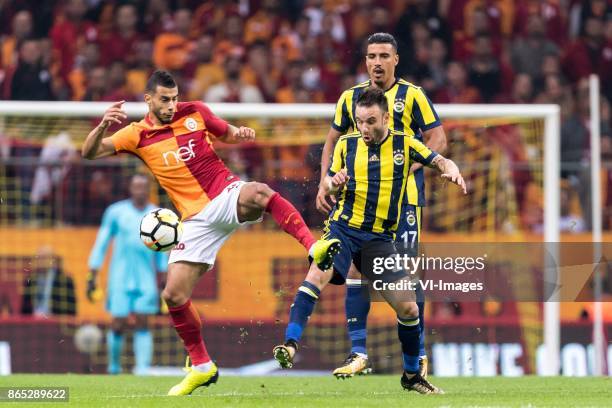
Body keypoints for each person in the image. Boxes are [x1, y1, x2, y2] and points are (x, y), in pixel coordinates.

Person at [81, 70, 340, 395]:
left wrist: (240, 132)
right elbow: (89, 152)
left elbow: (226, 132)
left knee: (260, 192)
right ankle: (202, 366)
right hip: (194, 221)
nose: (172, 105)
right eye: (164, 99)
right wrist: (104, 124)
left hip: (224, 192)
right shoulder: (135, 135)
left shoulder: (195, 111)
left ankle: (313, 247)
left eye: (174, 98)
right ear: (148, 99)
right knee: (173, 295)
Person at [274, 88, 466, 394]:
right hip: (343, 230)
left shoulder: (406, 144)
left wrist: (451, 169)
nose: (364, 128)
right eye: (360, 121)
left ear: (387, 117)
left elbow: (439, 160)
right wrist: (332, 183)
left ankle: (413, 376)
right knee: (316, 275)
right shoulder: (347, 146)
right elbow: (329, 184)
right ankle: (290, 344)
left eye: (371, 121)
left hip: (379, 240)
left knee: (409, 310)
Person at [315, 32, 448, 378]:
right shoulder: (351, 98)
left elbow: (438, 139)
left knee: (404, 273)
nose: (376, 62)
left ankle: (417, 356)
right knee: (358, 271)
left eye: (384, 56)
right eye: (371, 56)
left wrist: (404, 168)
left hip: (403, 202)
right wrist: (324, 180)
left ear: (396, 60)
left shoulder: (413, 96)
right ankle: (358, 352)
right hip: (359, 202)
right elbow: (331, 141)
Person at [86, 174, 167, 375]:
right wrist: (93, 272)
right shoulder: (116, 212)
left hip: (146, 276)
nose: (139, 190)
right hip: (119, 275)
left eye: (143, 187)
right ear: (130, 189)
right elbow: (102, 241)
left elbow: (162, 249)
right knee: (118, 321)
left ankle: (142, 368)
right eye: (135, 186)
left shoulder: (157, 215)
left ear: (148, 189)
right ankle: (114, 367)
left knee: (143, 320)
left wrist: (164, 277)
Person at [21, 245, 76, 316]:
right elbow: (24, 308)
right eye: (38, 258)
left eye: (44, 258)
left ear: (53, 260)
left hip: (55, 322)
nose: (41, 261)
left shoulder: (65, 280)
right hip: (33, 322)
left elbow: (71, 309)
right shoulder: (30, 280)